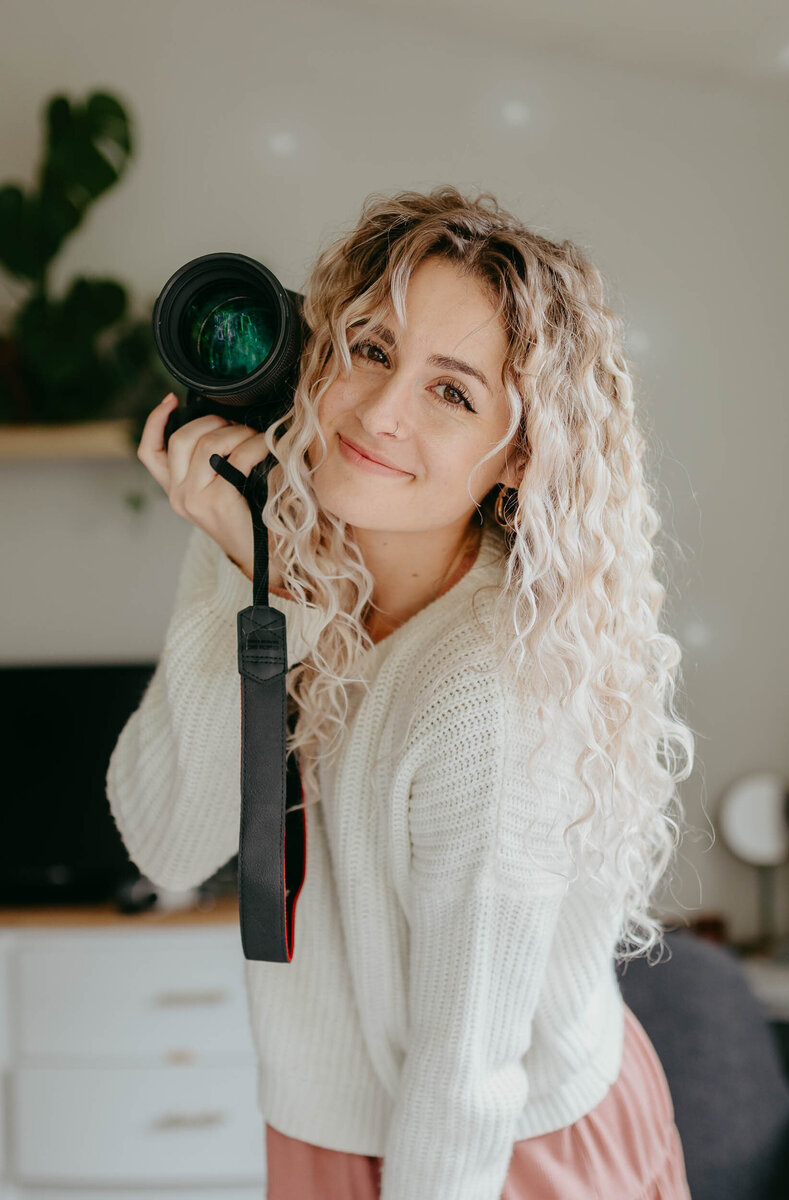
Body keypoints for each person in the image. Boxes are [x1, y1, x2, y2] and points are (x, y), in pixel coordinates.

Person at [107, 185, 695, 1200]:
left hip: (500, 1146)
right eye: (372, 350)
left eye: (451, 391)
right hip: (327, 1126)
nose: (379, 413)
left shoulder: (484, 692)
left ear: (516, 457)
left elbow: (465, 1078)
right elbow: (166, 843)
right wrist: (250, 581)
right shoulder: (271, 539)